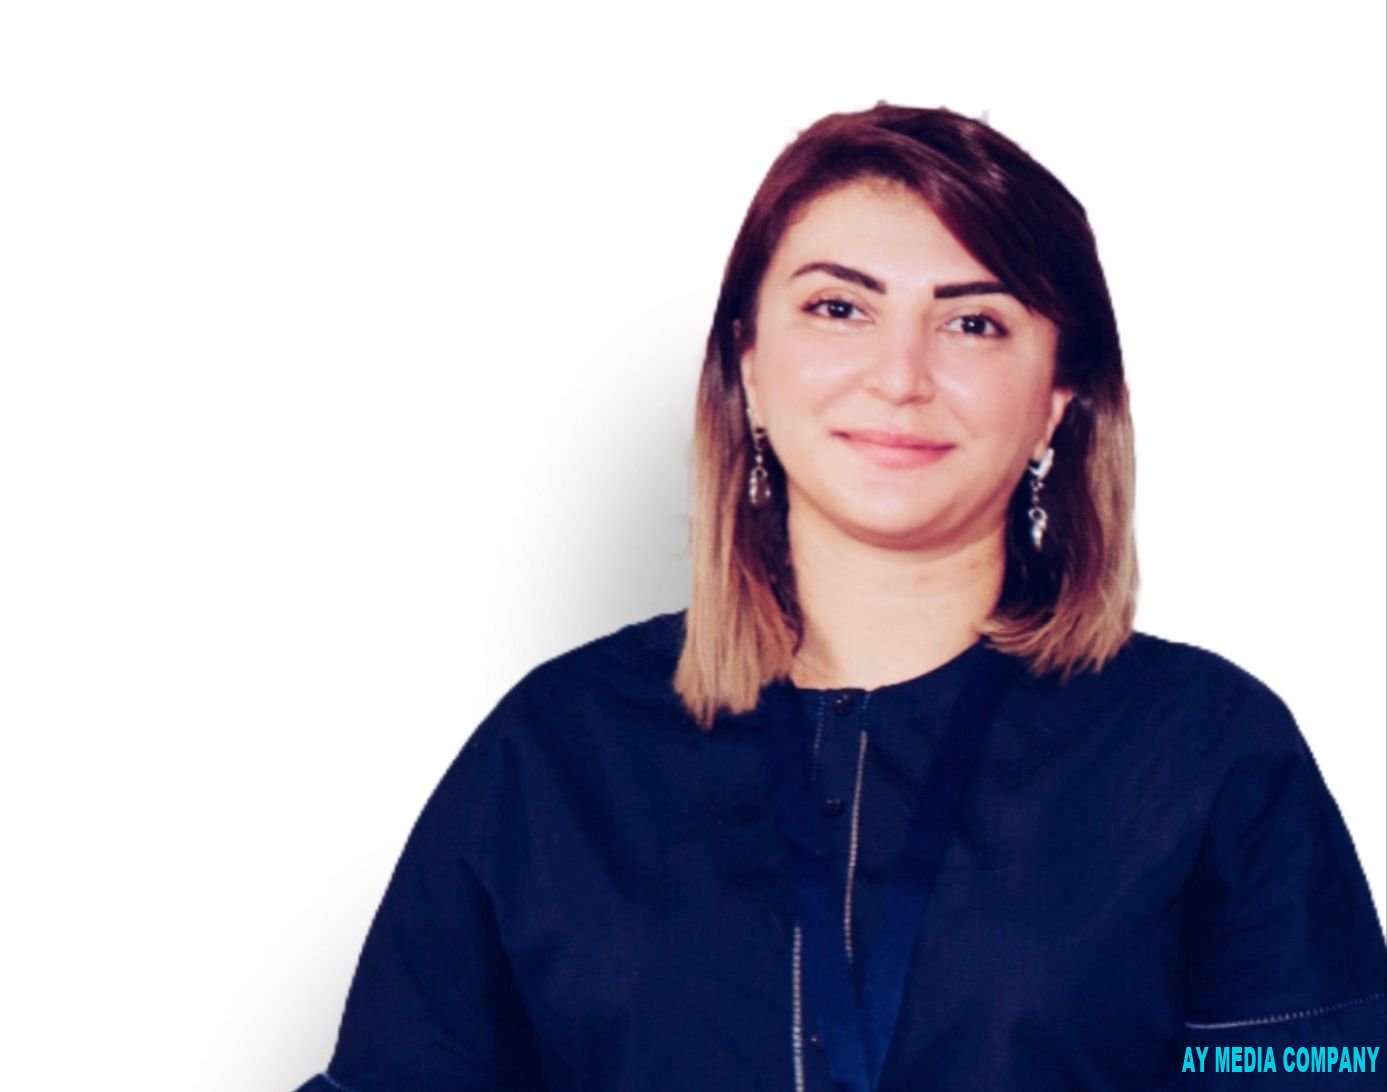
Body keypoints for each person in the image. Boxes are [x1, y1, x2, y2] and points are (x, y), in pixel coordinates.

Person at [294, 105, 1387, 1091]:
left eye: (973, 323)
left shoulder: (1205, 752)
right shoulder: (557, 752)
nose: (899, 376)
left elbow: (1318, 1076)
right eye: (838, 308)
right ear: (748, 366)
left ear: (1059, 396)